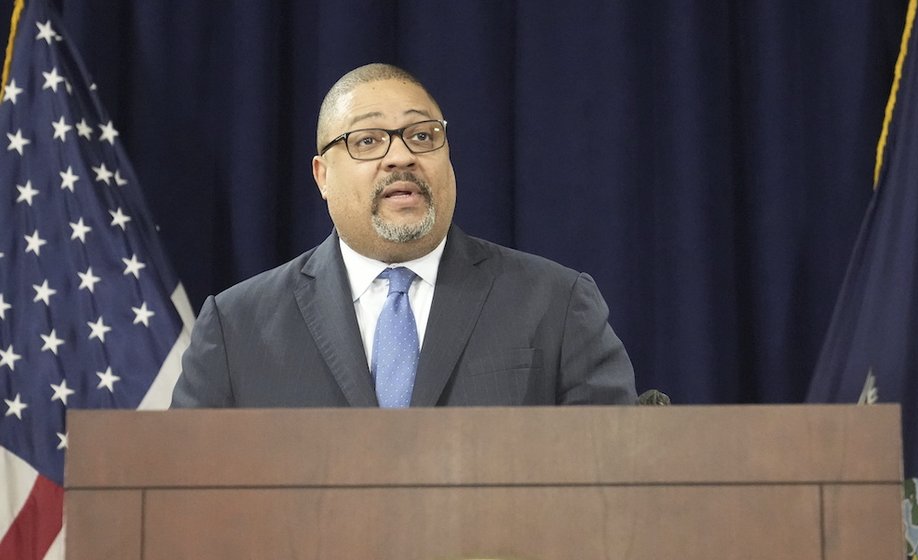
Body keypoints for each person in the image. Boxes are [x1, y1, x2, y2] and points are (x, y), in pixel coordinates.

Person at [171, 63, 636, 408]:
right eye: (367, 140)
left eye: (421, 135)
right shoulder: (236, 327)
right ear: (322, 176)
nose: (401, 157)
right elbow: (186, 493)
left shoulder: (555, 302)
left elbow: (613, 476)